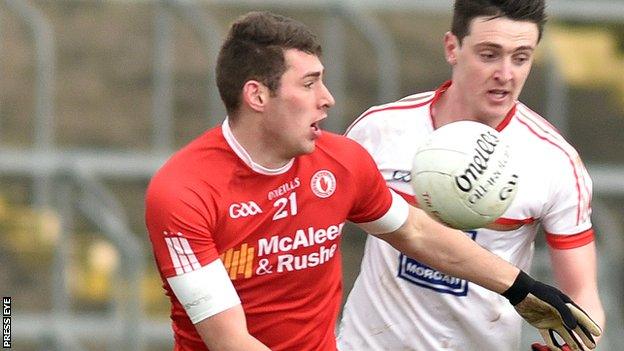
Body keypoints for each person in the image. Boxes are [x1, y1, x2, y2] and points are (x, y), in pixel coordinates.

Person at [145, 11, 600, 351]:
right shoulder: (182, 192)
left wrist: (521, 287)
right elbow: (229, 342)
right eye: (310, 84)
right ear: (257, 95)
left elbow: (415, 230)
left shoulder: (341, 161)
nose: (328, 99)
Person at [337, 1, 606, 351]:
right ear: (452, 47)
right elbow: (315, 236)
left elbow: (583, 294)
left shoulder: (555, 161)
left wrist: (572, 348)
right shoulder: (379, 130)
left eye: (521, 58)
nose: (506, 74)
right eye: (489, 54)